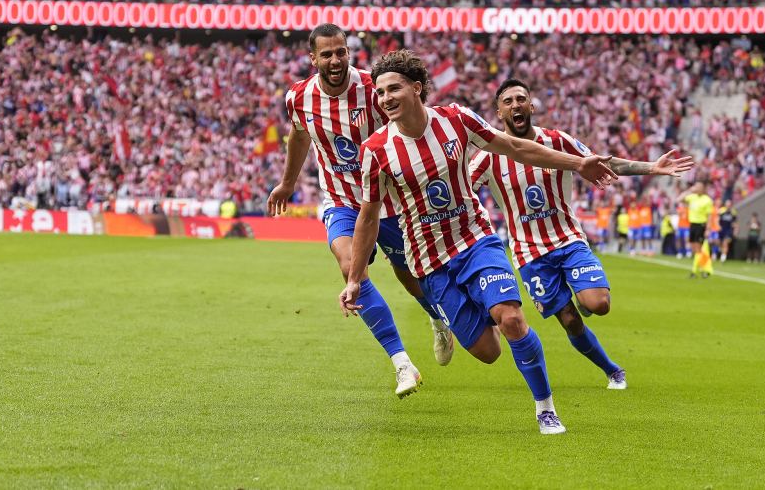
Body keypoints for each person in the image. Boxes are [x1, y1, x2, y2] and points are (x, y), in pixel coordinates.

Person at [338, 50, 618, 434]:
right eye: (380, 92)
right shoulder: (375, 150)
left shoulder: (456, 119)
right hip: (430, 262)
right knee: (489, 351)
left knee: (512, 318)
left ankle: (545, 409)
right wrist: (355, 278)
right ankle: (483, 306)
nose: (385, 98)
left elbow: (515, 147)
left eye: (394, 89)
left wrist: (577, 163)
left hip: (475, 240)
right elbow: (368, 217)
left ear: (416, 88)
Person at [468, 78, 693, 390]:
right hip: (529, 253)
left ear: (531, 106)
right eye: (508, 101)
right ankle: (613, 370)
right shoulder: (488, 155)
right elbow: (460, 187)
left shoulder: (557, 141)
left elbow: (600, 163)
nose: (515, 105)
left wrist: (651, 168)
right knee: (571, 321)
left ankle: (585, 297)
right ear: (499, 113)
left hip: (568, 239)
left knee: (600, 304)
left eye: (520, 99)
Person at [269, 25, 454, 399]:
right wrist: (288, 183)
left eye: (341, 51)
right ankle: (402, 363)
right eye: (327, 54)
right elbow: (299, 135)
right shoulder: (298, 98)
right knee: (349, 266)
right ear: (313, 58)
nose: (335, 60)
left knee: (411, 278)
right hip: (341, 199)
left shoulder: (374, 88)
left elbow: (409, 128)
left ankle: (438, 319)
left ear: (348, 52)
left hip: (389, 199)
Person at [679, 181, 714, 278]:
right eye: (696, 186)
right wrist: (689, 190)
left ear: (704, 188)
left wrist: (708, 229)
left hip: (701, 225)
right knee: (695, 248)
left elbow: (709, 216)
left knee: (699, 248)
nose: (697, 188)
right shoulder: (692, 197)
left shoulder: (707, 200)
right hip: (693, 224)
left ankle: (695, 271)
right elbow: (679, 199)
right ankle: (702, 269)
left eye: (700, 186)